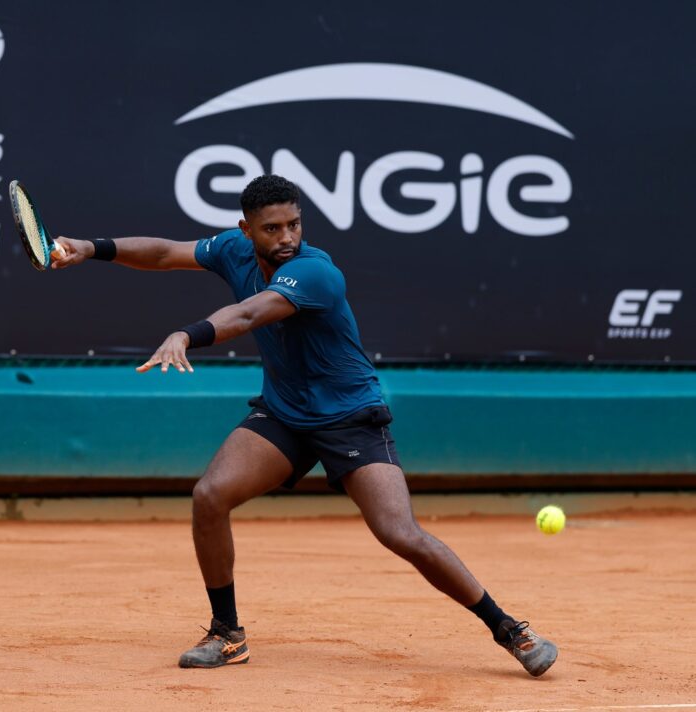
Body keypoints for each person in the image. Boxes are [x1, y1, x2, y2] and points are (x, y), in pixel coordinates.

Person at [49, 174, 557, 677]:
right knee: (210, 496)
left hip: (350, 417)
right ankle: (227, 634)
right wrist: (89, 248)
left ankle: (511, 630)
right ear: (246, 229)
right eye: (272, 229)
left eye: (294, 224)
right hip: (285, 414)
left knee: (400, 534)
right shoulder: (231, 249)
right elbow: (164, 253)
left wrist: (187, 333)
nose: (287, 237)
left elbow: (249, 315)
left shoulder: (317, 272)